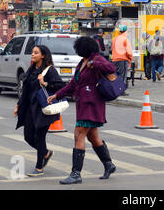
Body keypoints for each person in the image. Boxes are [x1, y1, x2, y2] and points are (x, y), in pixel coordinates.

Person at [47, 37, 117, 184]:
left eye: (78, 47)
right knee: (92, 137)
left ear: (84, 48)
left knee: (79, 134)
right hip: (83, 103)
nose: (76, 50)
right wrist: (57, 95)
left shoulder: (95, 59)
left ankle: (76, 174)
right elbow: (73, 84)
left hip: (92, 104)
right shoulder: (82, 63)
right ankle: (108, 165)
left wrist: (94, 63)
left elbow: (111, 68)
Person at [14, 45, 65, 177]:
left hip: (43, 109)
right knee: (28, 136)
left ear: (43, 55)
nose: (32, 54)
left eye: (36, 53)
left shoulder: (50, 71)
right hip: (30, 109)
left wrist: (45, 83)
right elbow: (25, 91)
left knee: (40, 136)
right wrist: (18, 105)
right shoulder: (31, 70)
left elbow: (60, 86)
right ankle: (46, 153)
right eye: (32, 52)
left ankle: (39, 167)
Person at [111, 24, 133, 93]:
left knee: (116, 75)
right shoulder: (125, 39)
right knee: (122, 76)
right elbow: (129, 52)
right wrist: (130, 59)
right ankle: (121, 90)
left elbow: (112, 49)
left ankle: (115, 89)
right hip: (122, 60)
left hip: (115, 60)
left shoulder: (115, 39)